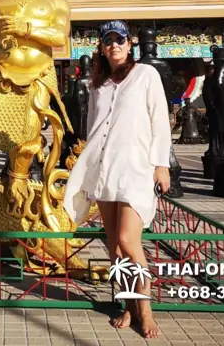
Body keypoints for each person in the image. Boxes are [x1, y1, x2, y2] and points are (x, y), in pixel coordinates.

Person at [63, 20, 171, 339]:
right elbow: (95, 130)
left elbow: (160, 120)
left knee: (127, 239)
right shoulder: (97, 85)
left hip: (136, 168)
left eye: (119, 39)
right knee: (114, 248)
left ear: (129, 43)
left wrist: (161, 165)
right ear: (101, 46)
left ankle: (146, 312)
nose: (114, 45)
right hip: (105, 170)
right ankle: (127, 306)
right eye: (108, 40)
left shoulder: (146, 75)